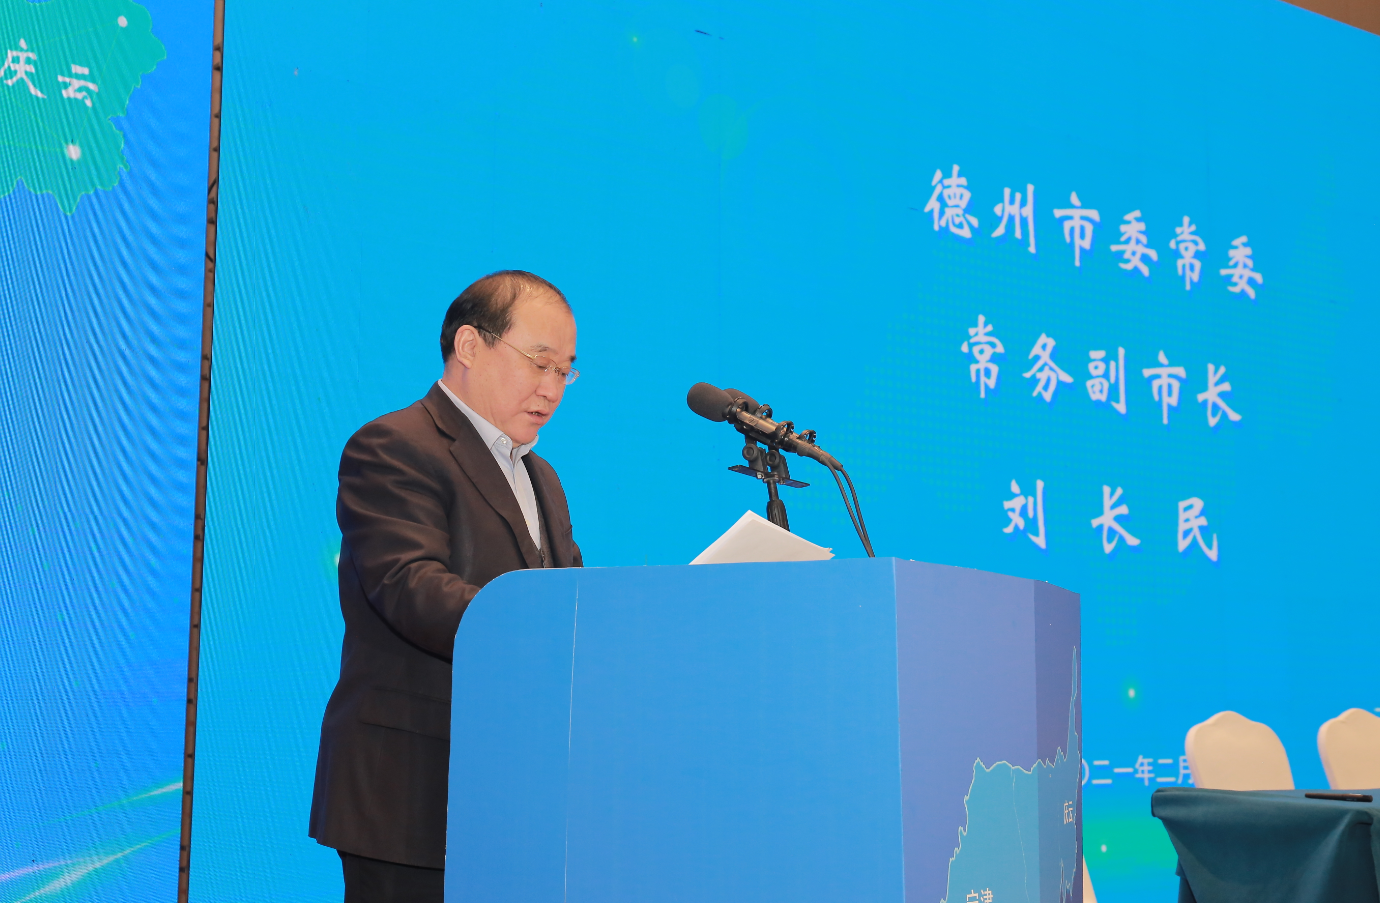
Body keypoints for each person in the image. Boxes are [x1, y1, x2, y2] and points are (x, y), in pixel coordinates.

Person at [308, 270, 582, 902]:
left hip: (517, 795)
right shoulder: (394, 446)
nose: (551, 388)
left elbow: (565, 600)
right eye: (539, 362)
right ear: (469, 345)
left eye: (565, 371)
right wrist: (543, 629)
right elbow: (410, 587)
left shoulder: (542, 477)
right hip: (413, 792)